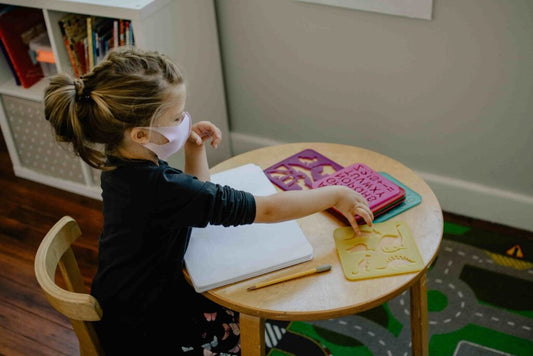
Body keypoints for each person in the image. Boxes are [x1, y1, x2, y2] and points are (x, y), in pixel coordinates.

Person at [43, 47, 373, 355]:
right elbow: (268, 209)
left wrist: (193, 148)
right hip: (149, 332)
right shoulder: (160, 187)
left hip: (125, 303)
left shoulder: (121, 165)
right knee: (262, 311)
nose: (184, 121)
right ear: (141, 135)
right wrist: (335, 194)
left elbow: (195, 198)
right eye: (176, 118)